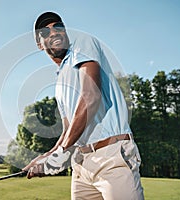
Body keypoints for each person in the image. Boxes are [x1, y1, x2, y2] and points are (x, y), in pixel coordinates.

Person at [23, 11, 144, 200]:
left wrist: (60, 154)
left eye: (58, 26)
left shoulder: (82, 45)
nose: (53, 32)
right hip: (80, 166)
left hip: (111, 157)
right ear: (39, 44)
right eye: (45, 32)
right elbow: (67, 133)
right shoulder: (60, 83)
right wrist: (46, 157)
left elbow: (91, 96)